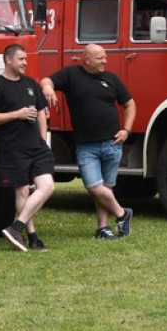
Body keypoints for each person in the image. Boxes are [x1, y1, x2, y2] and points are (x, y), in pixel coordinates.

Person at [41, 44, 136, 240]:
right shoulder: (71, 75)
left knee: (105, 189)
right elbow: (46, 80)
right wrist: (48, 88)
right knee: (94, 187)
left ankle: (103, 228)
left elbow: (130, 104)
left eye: (105, 57)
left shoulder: (112, 79)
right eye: (100, 58)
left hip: (113, 142)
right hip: (86, 145)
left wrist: (126, 130)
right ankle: (122, 213)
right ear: (86, 60)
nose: (105, 61)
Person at [0, 44, 56, 252]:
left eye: (26, 59)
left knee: (47, 186)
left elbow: (41, 112)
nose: (25, 62)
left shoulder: (31, 83)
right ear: (8, 59)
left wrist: (43, 140)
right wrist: (17, 114)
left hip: (36, 147)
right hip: (11, 148)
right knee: (22, 190)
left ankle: (16, 226)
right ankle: (31, 236)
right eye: (21, 59)